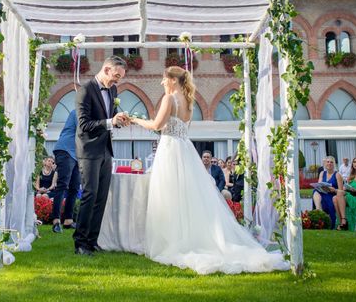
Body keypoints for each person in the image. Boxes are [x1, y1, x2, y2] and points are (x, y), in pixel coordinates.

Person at [131, 66, 287, 274]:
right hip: (185, 149)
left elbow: (157, 125)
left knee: (169, 195)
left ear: (173, 81)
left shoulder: (169, 99)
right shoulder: (189, 102)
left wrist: (134, 119)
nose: (162, 82)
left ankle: (174, 240)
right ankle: (185, 236)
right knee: (186, 196)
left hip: (170, 149)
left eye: (164, 79)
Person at [73, 56, 130, 256]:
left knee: (101, 196)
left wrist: (119, 120)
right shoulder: (85, 90)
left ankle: (92, 241)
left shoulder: (113, 89)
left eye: (120, 77)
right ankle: (80, 243)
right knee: (89, 194)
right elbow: (84, 125)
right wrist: (110, 122)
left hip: (106, 149)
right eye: (116, 76)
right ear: (106, 69)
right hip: (88, 150)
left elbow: (110, 118)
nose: (117, 81)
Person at [51, 110, 81, 234]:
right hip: (65, 150)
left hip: (77, 154)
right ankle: (56, 221)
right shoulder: (78, 111)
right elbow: (83, 130)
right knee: (63, 185)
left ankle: (68, 220)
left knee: (74, 187)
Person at [333, 156, 356, 231]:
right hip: (350, 196)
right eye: (354, 162)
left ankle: (342, 222)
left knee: (337, 196)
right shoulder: (350, 176)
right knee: (335, 198)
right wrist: (346, 189)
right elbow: (345, 189)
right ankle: (342, 222)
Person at [312, 156, 343, 229]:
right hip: (323, 193)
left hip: (332, 195)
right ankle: (319, 210)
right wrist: (320, 187)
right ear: (325, 164)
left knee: (319, 194)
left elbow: (341, 191)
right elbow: (319, 185)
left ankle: (321, 213)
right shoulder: (322, 173)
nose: (329, 163)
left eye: (331, 162)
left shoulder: (337, 175)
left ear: (334, 164)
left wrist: (334, 190)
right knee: (315, 191)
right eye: (328, 162)